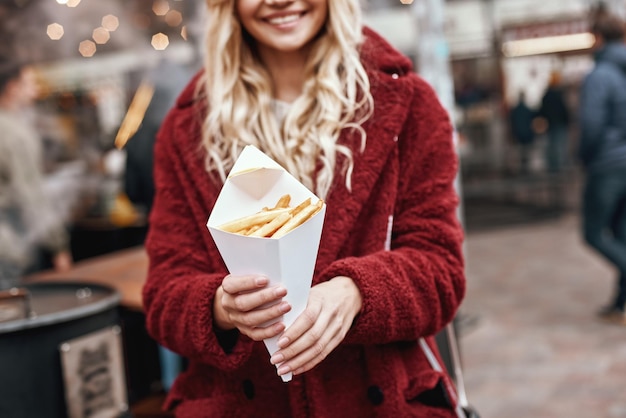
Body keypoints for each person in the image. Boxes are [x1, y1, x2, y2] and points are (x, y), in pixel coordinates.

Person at [142, 1, 466, 416]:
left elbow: (441, 271)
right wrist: (222, 307)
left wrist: (355, 292)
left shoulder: (406, 104)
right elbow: (163, 295)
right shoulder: (187, 130)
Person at [0, 56, 72, 289]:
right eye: (30, 84)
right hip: (9, 248)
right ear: (13, 87)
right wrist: (58, 245)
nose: (35, 91)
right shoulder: (14, 134)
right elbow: (30, 195)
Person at [578, 14, 626, 325]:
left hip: (608, 163)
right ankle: (621, 305)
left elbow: (591, 124)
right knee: (622, 232)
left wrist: (583, 156)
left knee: (593, 233)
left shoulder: (600, 75)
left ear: (598, 37)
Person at [539, 71, 571, 173]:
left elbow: (542, 110)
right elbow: (563, 109)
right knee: (558, 146)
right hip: (558, 123)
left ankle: (553, 166)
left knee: (552, 146)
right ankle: (557, 167)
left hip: (551, 123)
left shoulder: (547, 95)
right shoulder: (557, 95)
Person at [509, 91, 536, 175]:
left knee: (521, 152)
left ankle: (523, 169)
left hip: (519, 133)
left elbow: (512, 122)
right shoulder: (526, 109)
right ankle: (525, 169)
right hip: (526, 133)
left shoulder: (516, 110)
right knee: (526, 152)